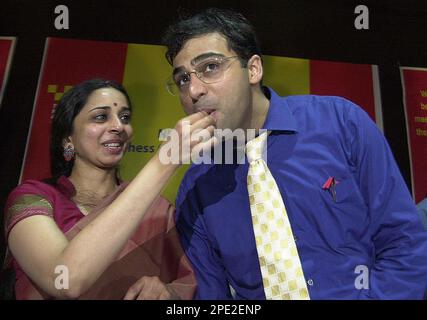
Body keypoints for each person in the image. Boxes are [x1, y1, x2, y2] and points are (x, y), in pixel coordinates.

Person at [161, 8, 427, 299]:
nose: (194, 90)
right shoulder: (196, 185)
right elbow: (212, 297)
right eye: (183, 79)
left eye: (210, 66)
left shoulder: (341, 123)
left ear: (253, 69)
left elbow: (404, 243)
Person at [2, 78, 217, 299]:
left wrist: (167, 293)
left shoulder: (158, 211)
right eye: (100, 117)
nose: (118, 126)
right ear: (69, 138)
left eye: (124, 117)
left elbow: (193, 286)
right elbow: (65, 280)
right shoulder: (32, 198)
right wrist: (166, 160)